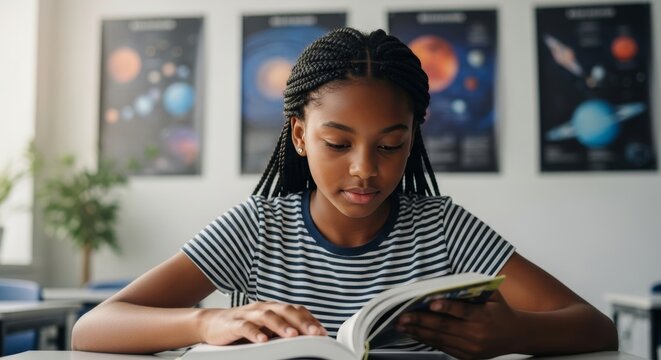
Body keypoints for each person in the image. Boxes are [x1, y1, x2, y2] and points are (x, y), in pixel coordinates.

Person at [72, 27, 617, 358]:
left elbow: (597, 327)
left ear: (413, 140)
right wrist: (205, 321)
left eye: (390, 145)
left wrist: (513, 333)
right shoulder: (257, 228)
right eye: (338, 143)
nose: (364, 170)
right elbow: (93, 329)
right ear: (301, 136)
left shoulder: (442, 230)